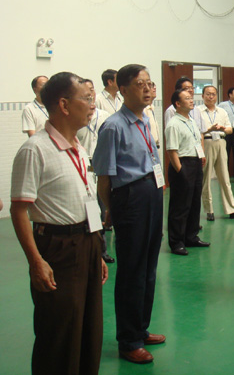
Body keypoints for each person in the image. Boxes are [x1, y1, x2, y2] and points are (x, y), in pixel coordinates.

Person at [10, 72, 108, 374]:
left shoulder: (78, 146)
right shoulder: (35, 149)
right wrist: (36, 261)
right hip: (58, 247)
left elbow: (85, 198)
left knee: (89, 328)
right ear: (64, 105)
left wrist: (96, 250)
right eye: (86, 99)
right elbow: (19, 210)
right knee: (60, 332)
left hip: (87, 242)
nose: (92, 105)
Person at [93, 64, 165, 364]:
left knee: (148, 267)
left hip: (152, 192)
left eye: (149, 83)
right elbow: (104, 178)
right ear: (122, 90)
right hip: (131, 197)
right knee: (132, 271)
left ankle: (141, 328)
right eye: (140, 84)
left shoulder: (144, 119)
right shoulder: (113, 126)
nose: (148, 88)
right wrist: (110, 209)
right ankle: (129, 340)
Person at [165, 88, 210, 255]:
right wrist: (181, 171)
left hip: (195, 163)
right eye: (187, 98)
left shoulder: (190, 121)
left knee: (194, 203)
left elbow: (196, 140)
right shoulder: (173, 124)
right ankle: (176, 242)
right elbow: (172, 151)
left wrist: (201, 155)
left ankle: (191, 236)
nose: (191, 100)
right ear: (177, 103)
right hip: (182, 164)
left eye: (191, 98)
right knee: (180, 206)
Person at [76, 78, 114, 264]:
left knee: (102, 208)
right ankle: (94, 251)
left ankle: (102, 251)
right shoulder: (76, 118)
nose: (90, 94)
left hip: (101, 166)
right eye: (85, 91)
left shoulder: (105, 116)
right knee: (90, 211)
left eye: (91, 89)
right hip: (84, 167)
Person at [200, 85, 234, 221]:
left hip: (221, 142)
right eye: (208, 94)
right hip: (206, 143)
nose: (211, 97)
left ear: (217, 96)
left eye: (213, 94)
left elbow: (230, 129)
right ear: (203, 96)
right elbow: (198, 131)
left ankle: (232, 210)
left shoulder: (221, 111)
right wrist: (209, 129)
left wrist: (222, 128)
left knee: (225, 178)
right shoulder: (198, 111)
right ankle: (209, 210)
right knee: (206, 178)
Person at [145, 81, 160, 149]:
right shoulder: (143, 109)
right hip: (148, 147)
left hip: (155, 146)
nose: (154, 88)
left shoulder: (151, 107)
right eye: (151, 86)